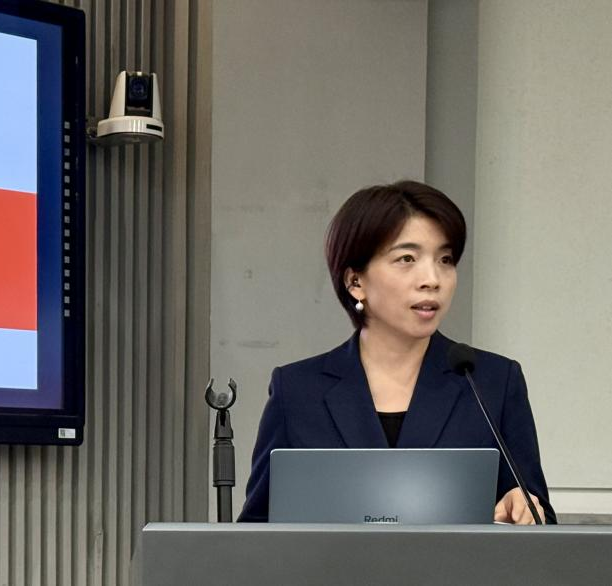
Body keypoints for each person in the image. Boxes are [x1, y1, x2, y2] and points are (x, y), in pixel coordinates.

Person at [238, 180, 556, 524]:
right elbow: (256, 531)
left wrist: (523, 509)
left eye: (445, 259)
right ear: (355, 282)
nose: (432, 279)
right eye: (407, 259)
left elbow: (541, 525)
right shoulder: (297, 391)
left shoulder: (492, 382)